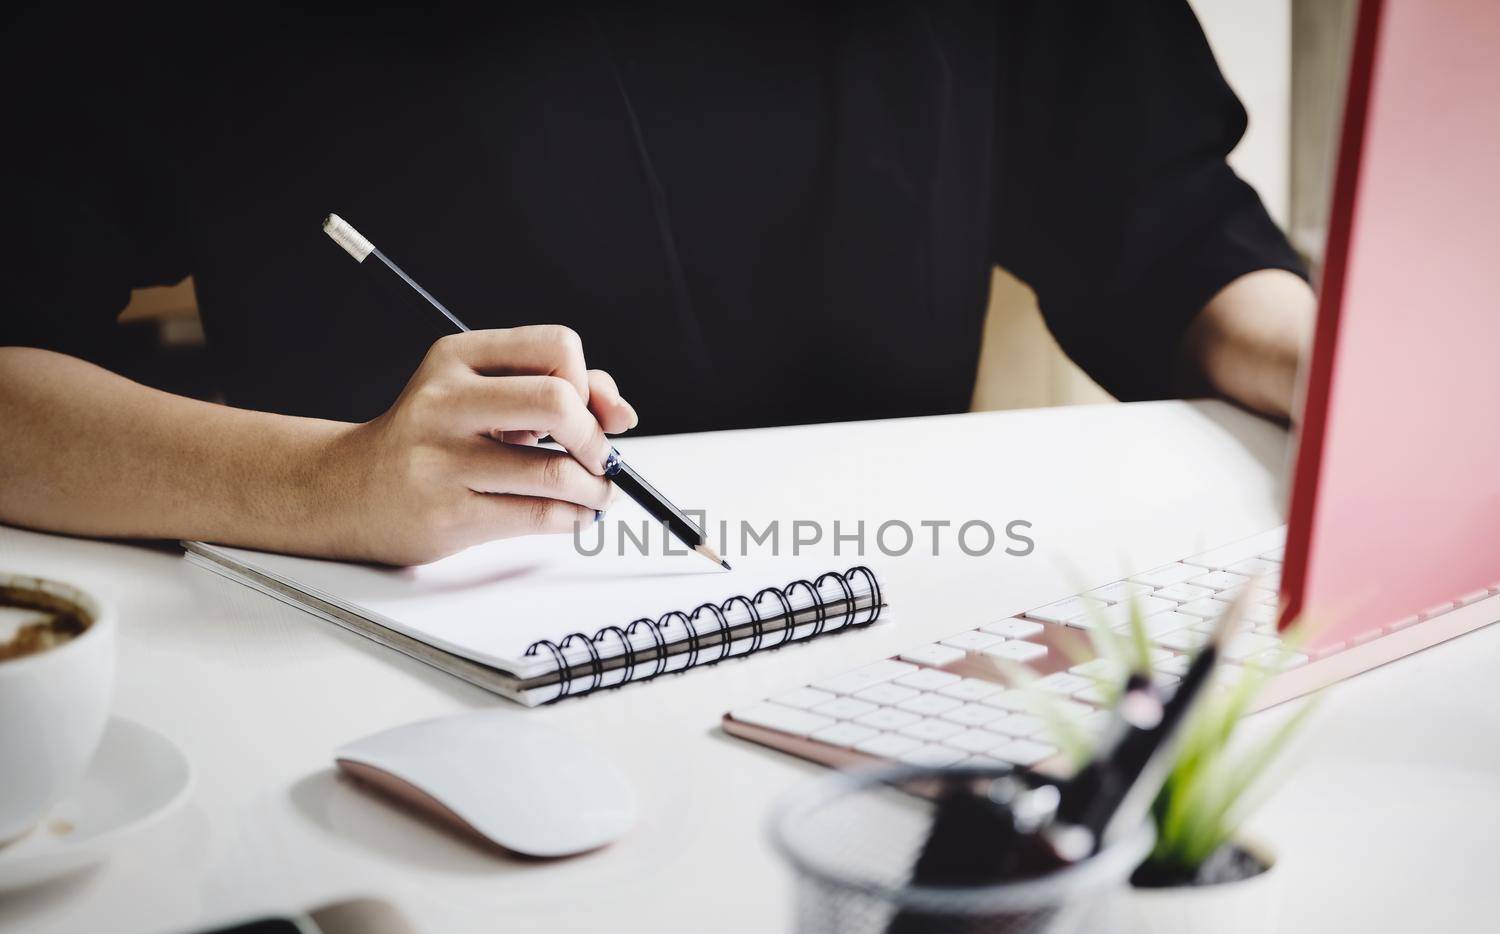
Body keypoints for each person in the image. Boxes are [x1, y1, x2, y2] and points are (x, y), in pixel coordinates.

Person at [0, 2, 1314, 566]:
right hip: (374, 663)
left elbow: (1163, 223)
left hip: (895, 618)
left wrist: (1339, 371)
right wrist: (328, 481)